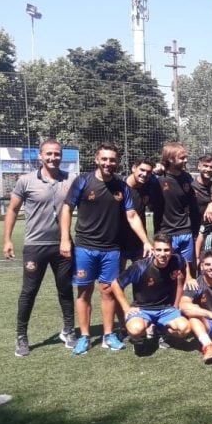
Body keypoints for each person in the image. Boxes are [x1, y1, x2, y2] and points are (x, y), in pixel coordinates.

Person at [60, 142, 152, 356]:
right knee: (84, 291)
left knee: (108, 291)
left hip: (111, 249)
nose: (108, 163)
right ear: (96, 159)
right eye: (105, 159)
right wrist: (65, 237)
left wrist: (146, 241)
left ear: (118, 162)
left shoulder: (122, 187)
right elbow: (66, 209)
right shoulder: (83, 181)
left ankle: (108, 335)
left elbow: (131, 216)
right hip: (85, 247)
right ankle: (84, 336)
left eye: (113, 160)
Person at [4, 139, 76, 356]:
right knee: (29, 291)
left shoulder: (71, 180)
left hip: (63, 246)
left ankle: (69, 330)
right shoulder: (25, 181)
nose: (53, 158)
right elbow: (13, 210)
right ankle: (21, 336)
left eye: (57, 154)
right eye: (49, 154)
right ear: (40, 156)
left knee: (65, 290)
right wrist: (7, 240)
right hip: (35, 245)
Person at [110, 233, 191, 353]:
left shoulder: (176, 260)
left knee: (185, 329)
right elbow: (115, 285)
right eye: (158, 250)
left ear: (171, 250)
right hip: (142, 309)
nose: (162, 254)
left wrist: (189, 277)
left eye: (166, 250)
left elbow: (184, 264)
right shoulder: (140, 266)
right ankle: (140, 339)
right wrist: (126, 308)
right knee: (135, 329)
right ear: (153, 250)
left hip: (166, 309)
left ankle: (162, 331)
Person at [150, 142, 199, 284]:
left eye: (185, 157)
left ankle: (185, 304)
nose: (185, 160)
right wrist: (154, 171)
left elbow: (194, 204)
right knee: (165, 272)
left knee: (186, 271)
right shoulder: (158, 179)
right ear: (170, 159)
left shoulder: (187, 178)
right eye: (182, 158)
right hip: (166, 232)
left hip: (185, 231)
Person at [119, 158, 155, 268]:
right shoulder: (119, 186)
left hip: (139, 243)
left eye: (149, 172)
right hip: (118, 243)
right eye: (142, 170)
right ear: (134, 168)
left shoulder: (148, 187)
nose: (145, 174)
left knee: (142, 281)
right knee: (116, 281)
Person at [191, 153, 212, 233]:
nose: (208, 169)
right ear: (199, 166)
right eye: (205, 166)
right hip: (195, 232)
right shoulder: (191, 187)